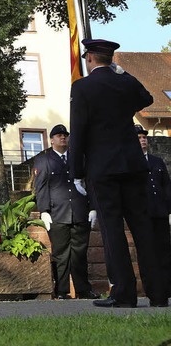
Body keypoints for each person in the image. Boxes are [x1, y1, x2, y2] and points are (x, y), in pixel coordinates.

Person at [69, 38, 167, 308]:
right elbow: (146, 98)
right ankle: (158, 294)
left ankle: (124, 294)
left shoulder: (83, 87)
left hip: (103, 169)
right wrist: (124, 73)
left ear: (90, 59)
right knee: (143, 229)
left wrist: (76, 171)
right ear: (111, 60)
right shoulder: (124, 83)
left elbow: (78, 131)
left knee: (113, 231)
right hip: (134, 165)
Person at [33, 124, 99, 300]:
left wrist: (93, 207)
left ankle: (83, 289)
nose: (63, 137)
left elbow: (90, 183)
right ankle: (62, 291)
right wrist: (44, 211)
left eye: (65, 135)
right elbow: (41, 188)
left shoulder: (79, 159)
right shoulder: (44, 160)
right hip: (57, 214)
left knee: (80, 254)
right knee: (61, 254)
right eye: (58, 135)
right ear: (52, 140)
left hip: (79, 212)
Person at [136, 124, 171, 299]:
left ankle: (167, 288)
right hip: (144, 214)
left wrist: (167, 207)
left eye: (144, 137)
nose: (142, 140)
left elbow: (166, 185)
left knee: (164, 251)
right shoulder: (131, 162)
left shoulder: (157, 161)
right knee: (147, 253)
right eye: (139, 138)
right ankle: (152, 289)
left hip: (160, 213)